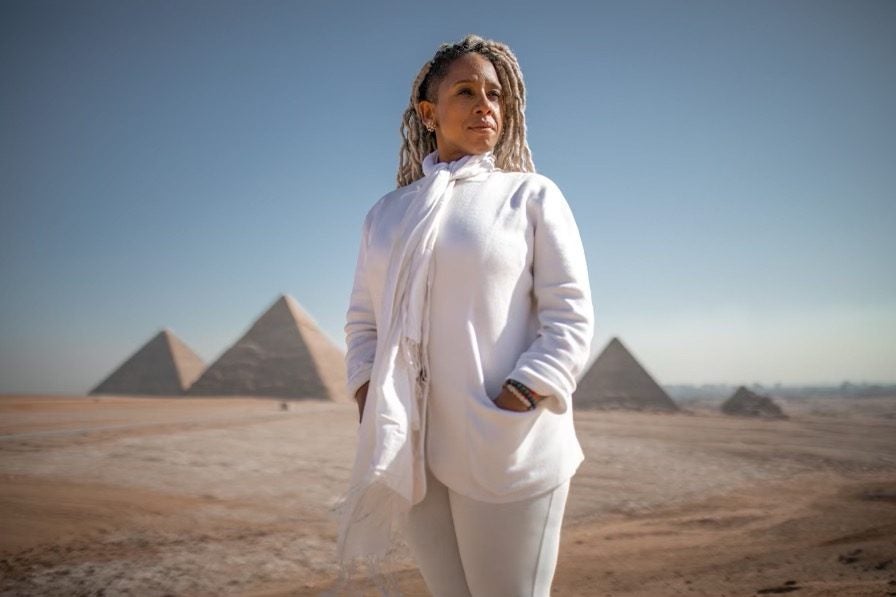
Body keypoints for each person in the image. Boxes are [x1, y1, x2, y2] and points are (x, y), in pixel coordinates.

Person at [338, 34, 594, 596]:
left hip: (504, 440)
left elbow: (570, 316)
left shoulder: (531, 196)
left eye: (497, 95)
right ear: (429, 113)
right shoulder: (385, 215)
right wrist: (369, 395)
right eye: (467, 91)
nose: (486, 105)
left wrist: (519, 396)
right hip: (412, 448)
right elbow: (363, 324)